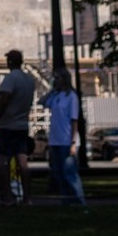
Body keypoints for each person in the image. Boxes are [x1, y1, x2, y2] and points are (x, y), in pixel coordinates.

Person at [0, 49, 37, 206]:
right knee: (22, 162)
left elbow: (4, 100)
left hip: (6, 126)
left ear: (10, 62)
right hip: (22, 125)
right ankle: (27, 198)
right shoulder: (29, 80)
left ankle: (8, 196)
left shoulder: (10, 79)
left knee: (0, 160)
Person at [41, 68, 86, 206]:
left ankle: (78, 200)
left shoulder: (71, 96)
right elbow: (42, 102)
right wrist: (51, 91)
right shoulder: (55, 96)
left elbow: (74, 120)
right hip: (55, 139)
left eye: (58, 78)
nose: (56, 81)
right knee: (58, 172)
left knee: (70, 173)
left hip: (66, 140)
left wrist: (73, 142)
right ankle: (66, 200)